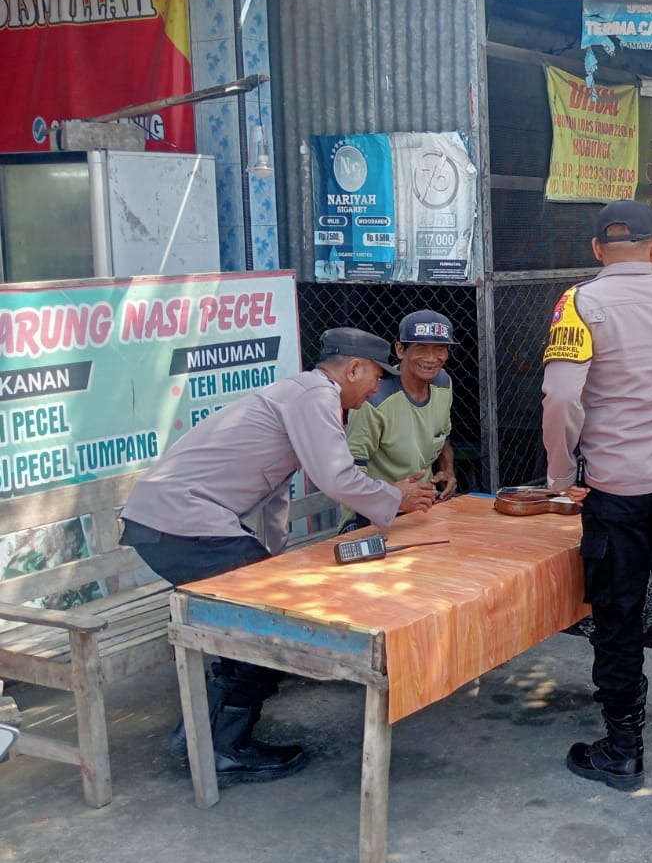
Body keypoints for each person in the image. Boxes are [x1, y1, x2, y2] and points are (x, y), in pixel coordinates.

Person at [119, 328, 437, 784]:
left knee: (258, 615)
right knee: (261, 629)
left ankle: (198, 735)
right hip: (180, 523)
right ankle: (223, 749)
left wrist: (273, 564)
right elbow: (337, 477)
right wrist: (396, 498)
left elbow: (273, 492)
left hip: (169, 522)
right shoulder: (316, 396)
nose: (374, 390)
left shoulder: (299, 394)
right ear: (352, 368)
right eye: (373, 378)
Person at [542, 199, 652, 791]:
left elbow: (563, 401)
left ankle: (622, 750)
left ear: (596, 250)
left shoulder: (580, 303)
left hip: (618, 489)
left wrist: (562, 476)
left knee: (617, 617)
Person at [342, 309, 457, 526]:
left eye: (439, 348)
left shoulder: (443, 383)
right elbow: (350, 473)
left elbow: (442, 438)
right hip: (372, 518)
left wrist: (447, 470)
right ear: (400, 350)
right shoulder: (374, 397)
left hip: (423, 511)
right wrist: (393, 495)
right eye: (421, 348)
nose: (431, 359)